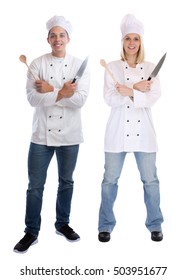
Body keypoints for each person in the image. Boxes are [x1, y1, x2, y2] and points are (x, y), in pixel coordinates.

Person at [14, 15, 90, 253]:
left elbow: (80, 101)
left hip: (70, 135)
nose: (57, 39)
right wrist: (61, 93)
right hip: (40, 136)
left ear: (68, 38)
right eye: (53, 35)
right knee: (35, 186)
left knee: (66, 182)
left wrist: (51, 90)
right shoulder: (36, 64)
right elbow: (32, 99)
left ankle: (62, 224)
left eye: (62, 35)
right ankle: (31, 231)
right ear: (47, 38)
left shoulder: (79, 65)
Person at [98, 14, 164, 243]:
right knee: (109, 180)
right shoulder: (112, 67)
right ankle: (105, 225)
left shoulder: (151, 67)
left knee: (150, 180)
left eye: (136, 38)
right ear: (122, 41)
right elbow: (109, 99)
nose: (132, 42)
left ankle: (155, 224)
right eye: (128, 38)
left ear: (141, 41)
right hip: (116, 132)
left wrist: (129, 91)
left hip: (144, 133)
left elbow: (152, 98)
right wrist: (135, 88)